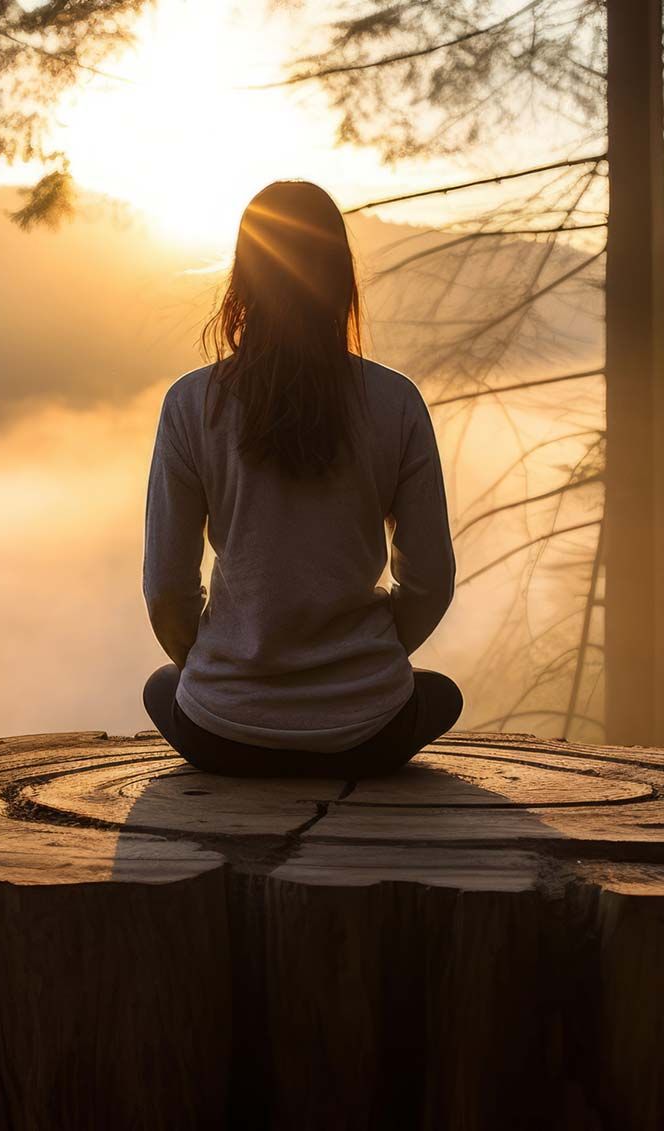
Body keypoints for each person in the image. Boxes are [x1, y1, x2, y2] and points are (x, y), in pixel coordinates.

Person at [141, 180, 461, 779]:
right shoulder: (396, 402)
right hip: (366, 735)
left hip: (224, 736)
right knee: (440, 694)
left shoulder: (189, 404)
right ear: (341, 277)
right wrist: (367, 666)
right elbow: (431, 580)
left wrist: (221, 671)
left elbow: (166, 591)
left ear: (242, 280)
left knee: (165, 687)